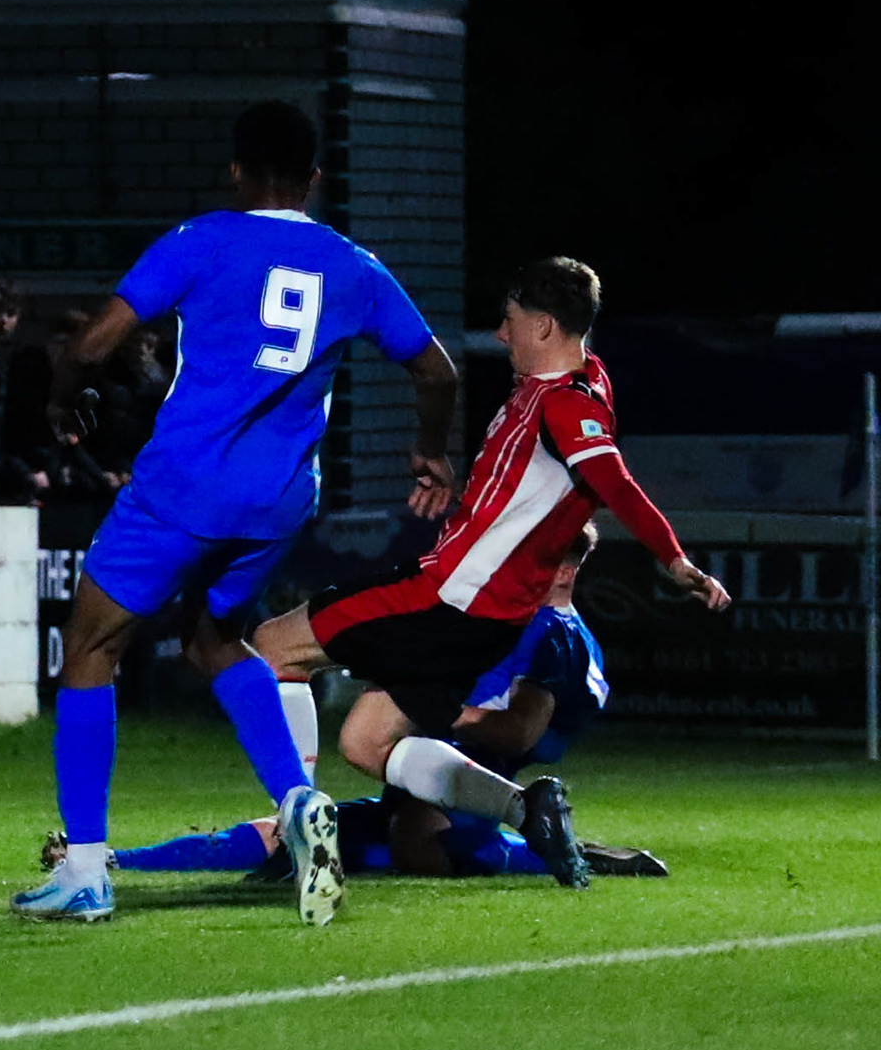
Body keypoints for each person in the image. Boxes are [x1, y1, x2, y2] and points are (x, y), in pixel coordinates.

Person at [13, 100, 463, 927]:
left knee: (89, 643)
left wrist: (64, 396)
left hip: (187, 486)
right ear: (315, 180)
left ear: (235, 171)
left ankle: (83, 870)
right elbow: (438, 372)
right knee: (215, 637)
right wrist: (430, 450)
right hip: (280, 500)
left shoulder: (204, 239)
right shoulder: (354, 265)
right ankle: (297, 798)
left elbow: (93, 341)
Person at [241, 255, 727, 893]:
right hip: (487, 616)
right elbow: (530, 495)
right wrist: (458, 493)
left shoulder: (566, 404)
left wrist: (674, 558)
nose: (502, 334)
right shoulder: (583, 384)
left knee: (274, 649)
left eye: (512, 321)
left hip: (446, 597)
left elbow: (615, 483)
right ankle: (528, 811)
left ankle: (296, 839)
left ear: (546, 326)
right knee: (365, 743)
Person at [114, 533, 662, 883]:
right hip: (435, 764)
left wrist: (446, 708)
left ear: (564, 572)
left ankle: (533, 840)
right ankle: (116, 860)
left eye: (530, 558)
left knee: (411, 836)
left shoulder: (550, 632)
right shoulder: (518, 616)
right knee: (287, 833)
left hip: (466, 777)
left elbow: (520, 733)